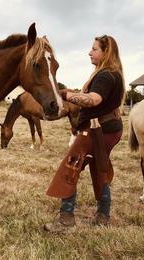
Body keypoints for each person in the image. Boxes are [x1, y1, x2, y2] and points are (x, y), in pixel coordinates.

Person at [44, 35, 125, 232]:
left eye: (94, 49)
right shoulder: (111, 73)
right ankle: (103, 216)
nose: (90, 52)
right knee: (99, 168)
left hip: (96, 130)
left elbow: (94, 100)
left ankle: (66, 219)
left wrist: (66, 94)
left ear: (106, 53)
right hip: (107, 129)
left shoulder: (106, 75)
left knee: (70, 168)